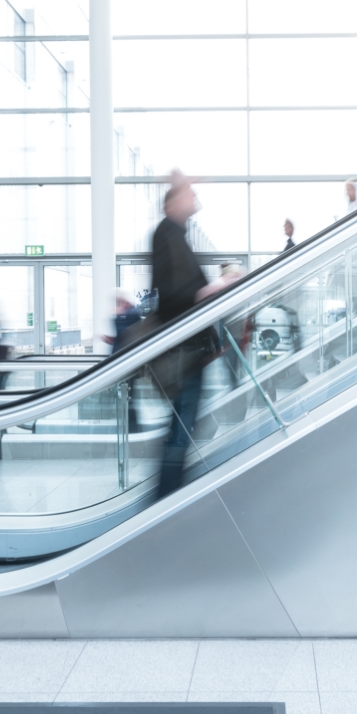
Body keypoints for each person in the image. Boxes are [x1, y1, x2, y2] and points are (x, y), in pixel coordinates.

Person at [150, 179, 226, 499]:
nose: (194, 197)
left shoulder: (177, 234)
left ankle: (168, 492)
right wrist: (211, 289)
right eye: (188, 193)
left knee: (181, 426)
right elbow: (174, 295)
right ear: (171, 203)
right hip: (184, 350)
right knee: (181, 428)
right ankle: (166, 496)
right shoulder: (166, 235)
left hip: (192, 348)